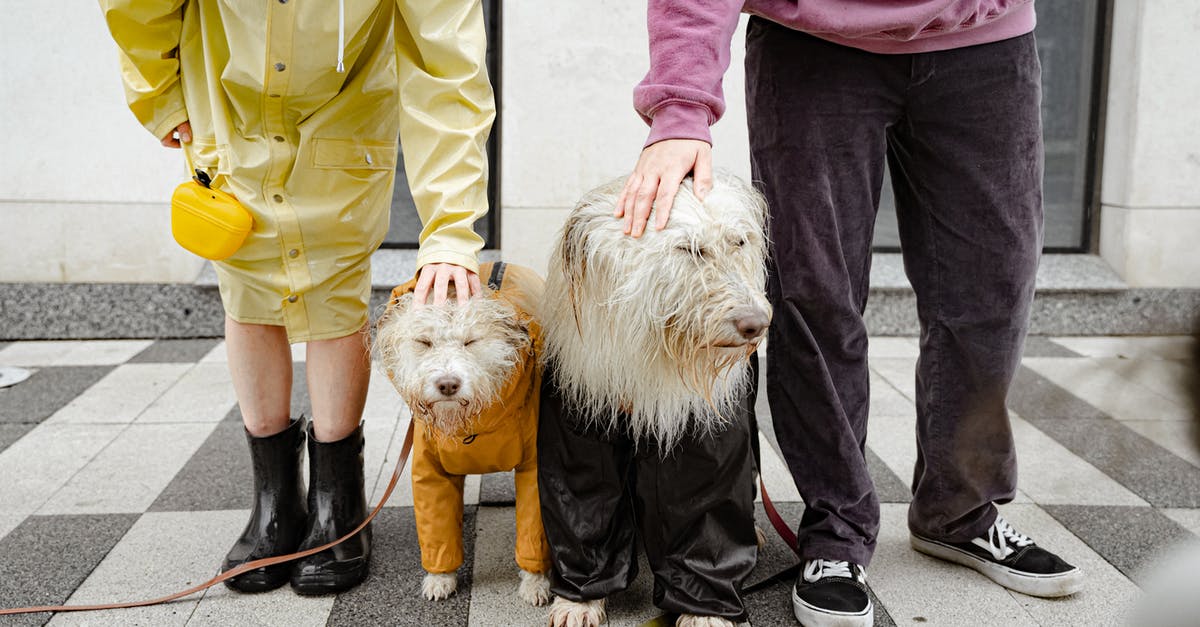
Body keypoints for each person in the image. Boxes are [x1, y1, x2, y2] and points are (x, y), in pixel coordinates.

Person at [619, 1, 1084, 624]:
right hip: (814, 43)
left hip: (985, 41)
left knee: (992, 293)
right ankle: (835, 529)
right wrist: (681, 108)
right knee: (816, 298)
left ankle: (961, 509)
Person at [99, 0, 494, 595]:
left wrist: (450, 229)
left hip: (345, 108)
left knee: (336, 287)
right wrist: (160, 90)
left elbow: (449, 65)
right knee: (246, 280)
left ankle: (339, 501)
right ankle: (274, 500)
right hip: (227, 103)